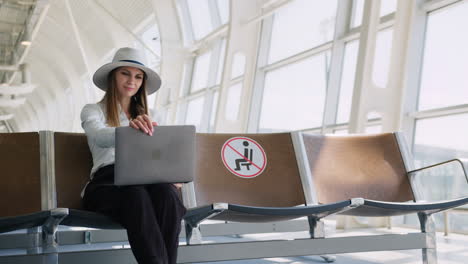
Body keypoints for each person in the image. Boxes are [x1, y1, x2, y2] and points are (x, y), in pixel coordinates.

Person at [80, 47, 186, 264]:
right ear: (113, 76)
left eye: (138, 76)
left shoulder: (153, 116)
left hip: (147, 179)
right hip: (107, 183)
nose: (132, 81)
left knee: (167, 194)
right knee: (136, 194)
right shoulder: (93, 110)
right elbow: (98, 136)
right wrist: (130, 130)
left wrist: (172, 172)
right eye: (125, 73)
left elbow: (162, 152)